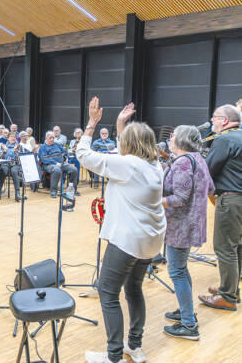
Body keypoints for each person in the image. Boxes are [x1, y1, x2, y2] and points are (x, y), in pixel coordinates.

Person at [79, 97, 166, 363]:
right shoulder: (154, 165)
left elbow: (84, 155)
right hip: (150, 241)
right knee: (134, 290)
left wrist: (91, 125)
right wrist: (120, 124)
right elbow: (124, 153)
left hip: (128, 240)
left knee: (108, 292)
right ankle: (134, 346)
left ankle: (113, 356)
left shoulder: (128, 166)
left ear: (130, 144)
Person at [161, 125, 214, 341]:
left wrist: (154, 202)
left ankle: (189, 324)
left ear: (181, 140)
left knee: (177, 272)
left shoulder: (183, 162)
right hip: (191, 224)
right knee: (181, 269)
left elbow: (180, 198)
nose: (170, 139)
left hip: (180, 226)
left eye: (173, 136)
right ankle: (186, 311)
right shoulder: (198, 158)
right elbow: (210, 188)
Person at [198, 104, 242, 311]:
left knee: (225, 248)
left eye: (214, 118)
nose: (211, 122)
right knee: (237, 246)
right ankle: (232, 289)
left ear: (224, 120)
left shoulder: (224, 138)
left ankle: (227, 297)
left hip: (231, 199)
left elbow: (208, 170)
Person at [38, 131, 77, 198]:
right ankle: (53, 191)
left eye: (53, 138)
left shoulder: (57, 145)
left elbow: (65, 152)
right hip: (49, 165)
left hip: (61, 164)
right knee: (56, 170)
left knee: (73, 169)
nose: (52, 139)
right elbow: (44, 159)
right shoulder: (43, 148)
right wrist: (55, 163)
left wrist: (66, 158)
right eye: (50, 138)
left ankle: (71, 190)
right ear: (46, 138)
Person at [0, 132, 22, 201]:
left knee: (14, 172)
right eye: (11, 136)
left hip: (15, 164)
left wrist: (15, 150)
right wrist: (5, 151)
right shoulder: (3, 146)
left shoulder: (19, 146)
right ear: (8, 138)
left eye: (14, 137)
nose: (13, 138)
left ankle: (17, 193)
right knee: (4, 171)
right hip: (5, 164)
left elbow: (20, 158)